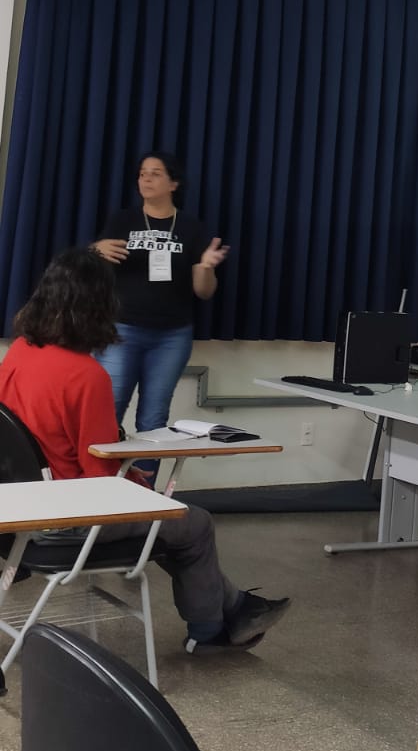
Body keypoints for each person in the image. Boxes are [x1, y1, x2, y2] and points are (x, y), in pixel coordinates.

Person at [0, 248, 289, 654]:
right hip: (68, 518)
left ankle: (239, 608)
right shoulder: (86, 376)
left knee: (171, 527)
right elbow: (102, 480)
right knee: (194, 523)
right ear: (99, 306)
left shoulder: (20, 352)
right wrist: (138, 480)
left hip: (20, 511)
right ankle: (210, 632)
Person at [93, 151, 228, 434]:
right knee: (106, 414)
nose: (146, 179)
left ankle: (145, 467)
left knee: (153, 421)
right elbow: (90, 270)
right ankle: (99, 465)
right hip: (121, 330)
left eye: (155, 174)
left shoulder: (192, 228)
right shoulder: (122, 221)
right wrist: (95, 250)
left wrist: (205, 267)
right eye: (142, 174)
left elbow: (204, 292)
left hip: (171, 337)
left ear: (173, 183)